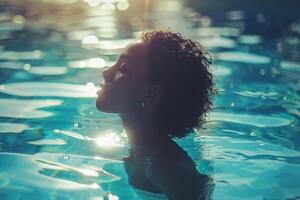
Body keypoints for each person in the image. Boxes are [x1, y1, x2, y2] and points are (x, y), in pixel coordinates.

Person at [96, 30, 217, 200]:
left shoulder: (166, 166)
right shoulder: (141, 151)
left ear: (150, 95)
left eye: (123, 68)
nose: (107, 73)